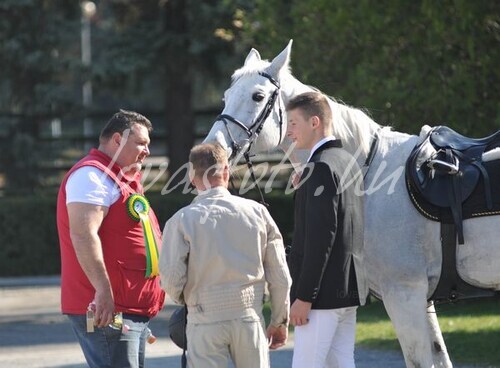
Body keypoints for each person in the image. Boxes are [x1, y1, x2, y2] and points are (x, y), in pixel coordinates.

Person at [159, 142, 292, 368]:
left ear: (192, 176)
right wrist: (280, 320)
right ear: (227, 172)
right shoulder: (258, 212)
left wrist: (188, 300)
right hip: (248, 315)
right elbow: (280, 276)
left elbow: (171, 278)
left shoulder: (181, 221)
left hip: (204, 316)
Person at [56, 109, 165, 368]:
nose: (147, 152)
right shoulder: (91, 176)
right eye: (142, 143)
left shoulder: (118, 178)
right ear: (117, 140)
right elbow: (83, 234)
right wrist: (103, 291)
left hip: (125, 308)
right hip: (107, 309)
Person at [286, 92, 368, 368]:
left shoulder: (320, 168)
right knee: (342, 364)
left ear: (315, 122)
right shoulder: (347, 162)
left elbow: (322, 237)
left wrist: (304, 295)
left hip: (320, 297)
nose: (288, 133)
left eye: (294, 123)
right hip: (347, 290)